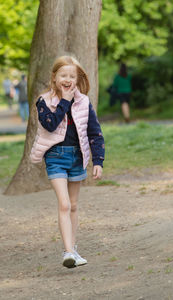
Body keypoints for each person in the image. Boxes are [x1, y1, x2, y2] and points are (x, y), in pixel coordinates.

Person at [30, 55, 105, 269]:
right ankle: (68, 252)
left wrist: (98, 160)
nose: (68, 79)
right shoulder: (44, 101)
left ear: (77, 78)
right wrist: (64, 100)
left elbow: (94, 133)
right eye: (63, 75)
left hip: (77, 157)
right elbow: (50, 125)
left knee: (73, 206)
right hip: (55, 158)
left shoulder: (84, 102)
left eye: (72, 76)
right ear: (54, 78)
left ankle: (72, 249)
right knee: (63, 204)